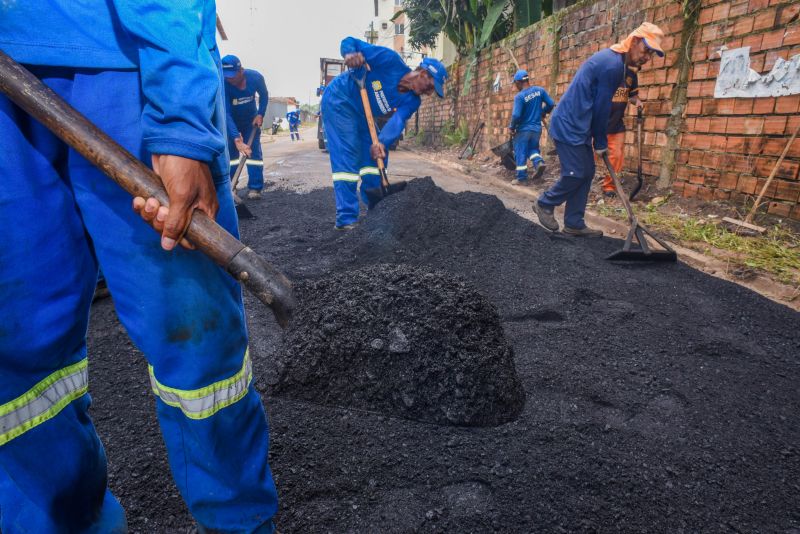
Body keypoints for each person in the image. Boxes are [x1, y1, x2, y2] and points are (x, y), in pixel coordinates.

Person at [0, 2, 278, 533]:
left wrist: (180, 121)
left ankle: (238, 522)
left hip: (121, 60)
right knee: (15, 366)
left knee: (196, 341)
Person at [533, 22, 664, 236]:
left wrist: (597, 139)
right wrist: (601, 143)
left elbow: (600, 105)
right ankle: (544, 203)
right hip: (569, 124)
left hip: (580, 125)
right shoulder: (612, 66)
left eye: (652, 54)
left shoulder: (619, 64)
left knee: (587, 172)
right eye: (646, 50)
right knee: (576, 173)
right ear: (634, 41)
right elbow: (602, 107)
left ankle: (574, 223)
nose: (647, 57)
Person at [321, 37, 448, 230]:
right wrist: (350, 54)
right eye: (431, 86)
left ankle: (376, 208)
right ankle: (346, 219)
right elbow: (349, 41)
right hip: (340, 99)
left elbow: (397, 121)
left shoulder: (413, 101)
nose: (429, 92)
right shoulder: (390, 60)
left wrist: (382, 142)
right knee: (348, 154)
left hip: (364, 113)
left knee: (377, 156)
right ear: (422, 72)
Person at [223, 55, 269, 200]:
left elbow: (264, 95)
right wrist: (236, 138)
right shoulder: (223, 84)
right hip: (232, 123)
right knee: (232, 156)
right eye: (226, 76)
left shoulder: (255, 78)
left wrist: (260, 114)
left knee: (254, 154)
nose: (229, 79)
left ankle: (255, 188)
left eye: (232, 75)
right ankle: (232, 187)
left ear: (241, 70)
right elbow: (226, 113)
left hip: (251, 121)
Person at [508, 69, 555, 186]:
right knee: (532, 149)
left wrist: (512, 127)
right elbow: (551, 103)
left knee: (520, 151)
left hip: (523, 130)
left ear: (518, 82)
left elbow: (516, 115)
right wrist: (543, 112)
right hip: (536, 129)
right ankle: (538, 162)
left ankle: (521, 178)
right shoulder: (540, 91)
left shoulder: (520, 96)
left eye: (515, 84)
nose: (515, 86)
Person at [601, 64, 642, 196]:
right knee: (589, 155)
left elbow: (632, 96)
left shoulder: (632, 75)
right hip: (598, 123)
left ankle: (609, 186)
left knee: (617, 156)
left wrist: (637, 102)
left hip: (617, 124)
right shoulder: (609, 70)